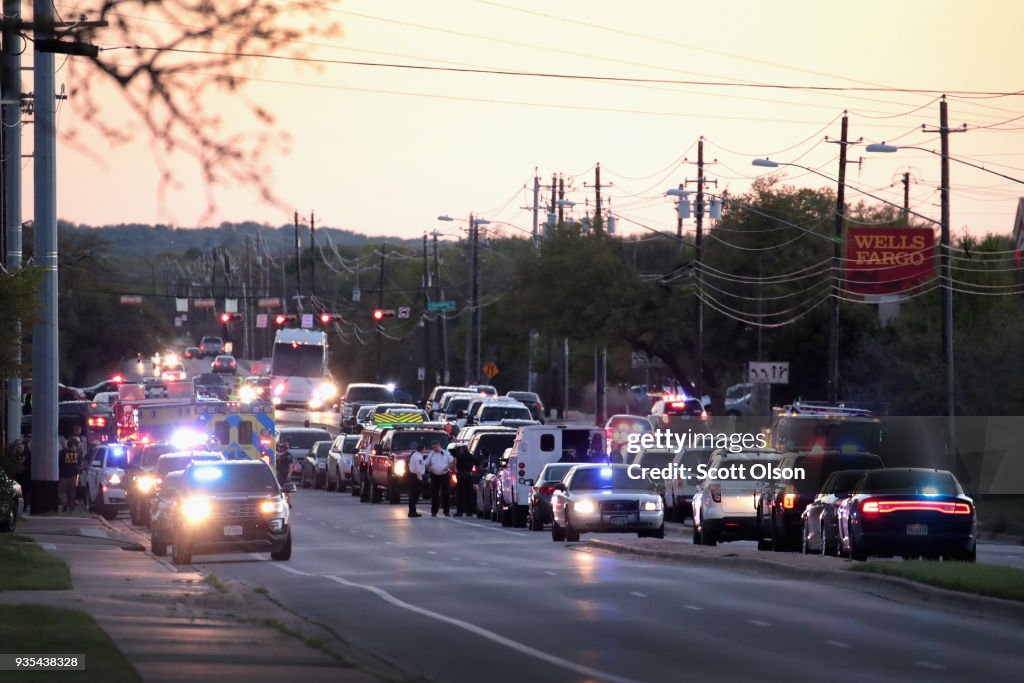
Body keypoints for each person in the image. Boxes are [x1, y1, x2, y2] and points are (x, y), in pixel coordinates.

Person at [425, 440, 454, 517]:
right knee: (434, 494)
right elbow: (426, 463)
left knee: (446, 493)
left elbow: (452, 462)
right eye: (433, 447)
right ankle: (434, 511)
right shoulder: (431, 454)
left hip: (444, 475)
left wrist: (448, 468)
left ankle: (446, 511)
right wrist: (429, 468)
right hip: (435, 476)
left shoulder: (446, 453)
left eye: (436, 447)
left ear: (439, 445)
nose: (435, 449)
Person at [58, 437, 82, 513]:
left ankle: (64, 503)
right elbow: (79, 464)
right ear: (73, 446)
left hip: (64, 476)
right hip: (73, 477)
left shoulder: (62, 453)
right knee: (72, 493)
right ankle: (71, 508)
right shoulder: (77, 454)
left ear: (67, 445)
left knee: (62, 491)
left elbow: (59, 463)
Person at [453, 444, 476, 517]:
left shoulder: (459, 456)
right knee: (469, 495)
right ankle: (469, 512)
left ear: (462, 450)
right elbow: (478, 464)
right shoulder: (472, 456)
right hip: (469, 476)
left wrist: (456, 470)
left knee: (460, 494)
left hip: (461, 476)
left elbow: (455, 464)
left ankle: (460, 512)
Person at [406, 442, 426, 518]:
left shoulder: (414, 455)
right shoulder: (418, 457)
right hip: (416, 477)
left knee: (413, 495)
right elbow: (418, 468)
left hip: (413, 476)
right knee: (414, 495)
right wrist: (420, 478)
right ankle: (412, 511)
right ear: (422, 449)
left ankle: (412, 511)